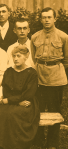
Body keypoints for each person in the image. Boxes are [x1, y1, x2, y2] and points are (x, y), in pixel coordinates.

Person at [31, 7, 68, 149]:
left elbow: (66, 60)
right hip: (39, 77)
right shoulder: (35, 37)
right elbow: (35, 58)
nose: (46, 20)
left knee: (55, 111)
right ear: (40, 19)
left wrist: (56, 70)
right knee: (38, 110)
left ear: (54, 19)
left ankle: (52, 143)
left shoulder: (64, 37)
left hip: (56, 78)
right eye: (44, 17)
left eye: (49, 17)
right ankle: (39, 140)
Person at [0, 45, 40, 149]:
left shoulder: (31, 73)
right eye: (14, 56)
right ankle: (0, 145)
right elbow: (5, 91)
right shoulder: (9, 71)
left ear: (26, 57)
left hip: (27, 102)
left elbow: (29, 94)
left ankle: (15, 145)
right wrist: (15, 102)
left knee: (13, 114)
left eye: (18, 56)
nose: (15, 59)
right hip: (12, 101)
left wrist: (11, 101)